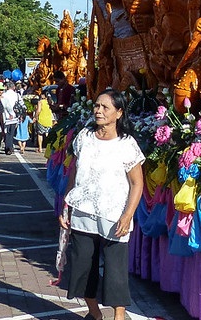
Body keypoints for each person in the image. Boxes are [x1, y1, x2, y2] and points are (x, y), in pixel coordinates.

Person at [58, 88, 145, 320]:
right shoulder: (84, 138)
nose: (98, 111)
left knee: (116, 270)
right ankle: (94, 314)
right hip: (83, 212)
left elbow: (137, 183)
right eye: (97, 106)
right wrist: (66, 205)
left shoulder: (126, 144)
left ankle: (119, 316)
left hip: (114, 215)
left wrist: (128, 215)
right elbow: (74, 171)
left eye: (105, 107)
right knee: (83, 266)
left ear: (119, 113)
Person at [1, 81, 20, 154]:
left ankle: (8, 146)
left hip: (5, 116)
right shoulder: (17, 95)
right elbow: (21, 104)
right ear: (13, 87)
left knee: (6, 132)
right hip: (14, 116)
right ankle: (10, 147)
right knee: (11, 133)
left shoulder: (3, 95)